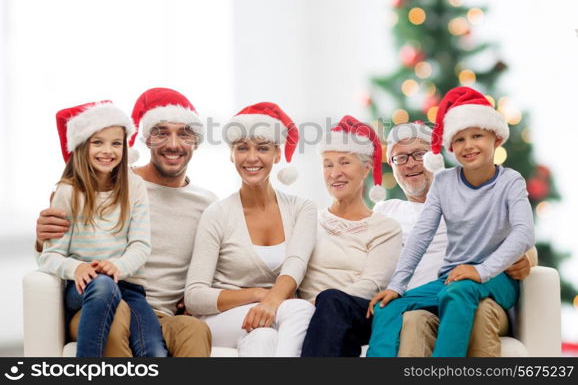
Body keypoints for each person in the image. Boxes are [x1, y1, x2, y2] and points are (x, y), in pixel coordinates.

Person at [35, 88, 216, 357]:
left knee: (194, 329)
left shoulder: (208, 203)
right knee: (116, 312)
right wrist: (40, 238)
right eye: (161, 132)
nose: (174, 144)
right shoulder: (109, 180)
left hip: (157, 312)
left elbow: (220, 265)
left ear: (197, 142)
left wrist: (199, 298)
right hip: (100, 304)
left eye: (185, 134)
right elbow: (55, 248)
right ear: (145, 139)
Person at [366, 86, 535, 357]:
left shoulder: (510, 181)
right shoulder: (444, 183)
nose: (468, 145)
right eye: (459, 139)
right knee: (391, 306)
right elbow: (422, 234)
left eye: (477, 136)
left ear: (496, 138)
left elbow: (524, 234)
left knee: (457, 292)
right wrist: (397, 285)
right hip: (451, 279)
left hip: (494, 279)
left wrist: (481, 271)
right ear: (450, 148)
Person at [185, 102, 317, 357]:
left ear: (278, 154)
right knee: (298, 310)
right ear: (231, 154)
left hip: (274, 314)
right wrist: (261, 296)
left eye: (263, 148)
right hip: (220, 319)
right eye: (242, 148)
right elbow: (194, 296)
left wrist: (269, 303)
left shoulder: (302, 209)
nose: (252, 157)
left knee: (264, 336)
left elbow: (295, 265)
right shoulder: (217, 214)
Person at [37, 101, 167, 357]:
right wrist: (78, 268)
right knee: (103, 284)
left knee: (154, 351)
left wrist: (117, 266)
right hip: (85, 288)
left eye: (116, 143)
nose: (108, 151)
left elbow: (140, 245)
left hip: (129, 286)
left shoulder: (134, 187)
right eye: (98, 142)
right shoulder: (68, 192)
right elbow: (49, 256)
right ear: (82, 146)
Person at [299, 115, 402, 356]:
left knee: (332, 301)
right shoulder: (307, 219)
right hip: (307, 312)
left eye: (345, 162)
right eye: (328, 164)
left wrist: (320, 303)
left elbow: (371, 285)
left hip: (360, 313)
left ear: (366, 168)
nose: (335, 173)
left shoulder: (385, 228)